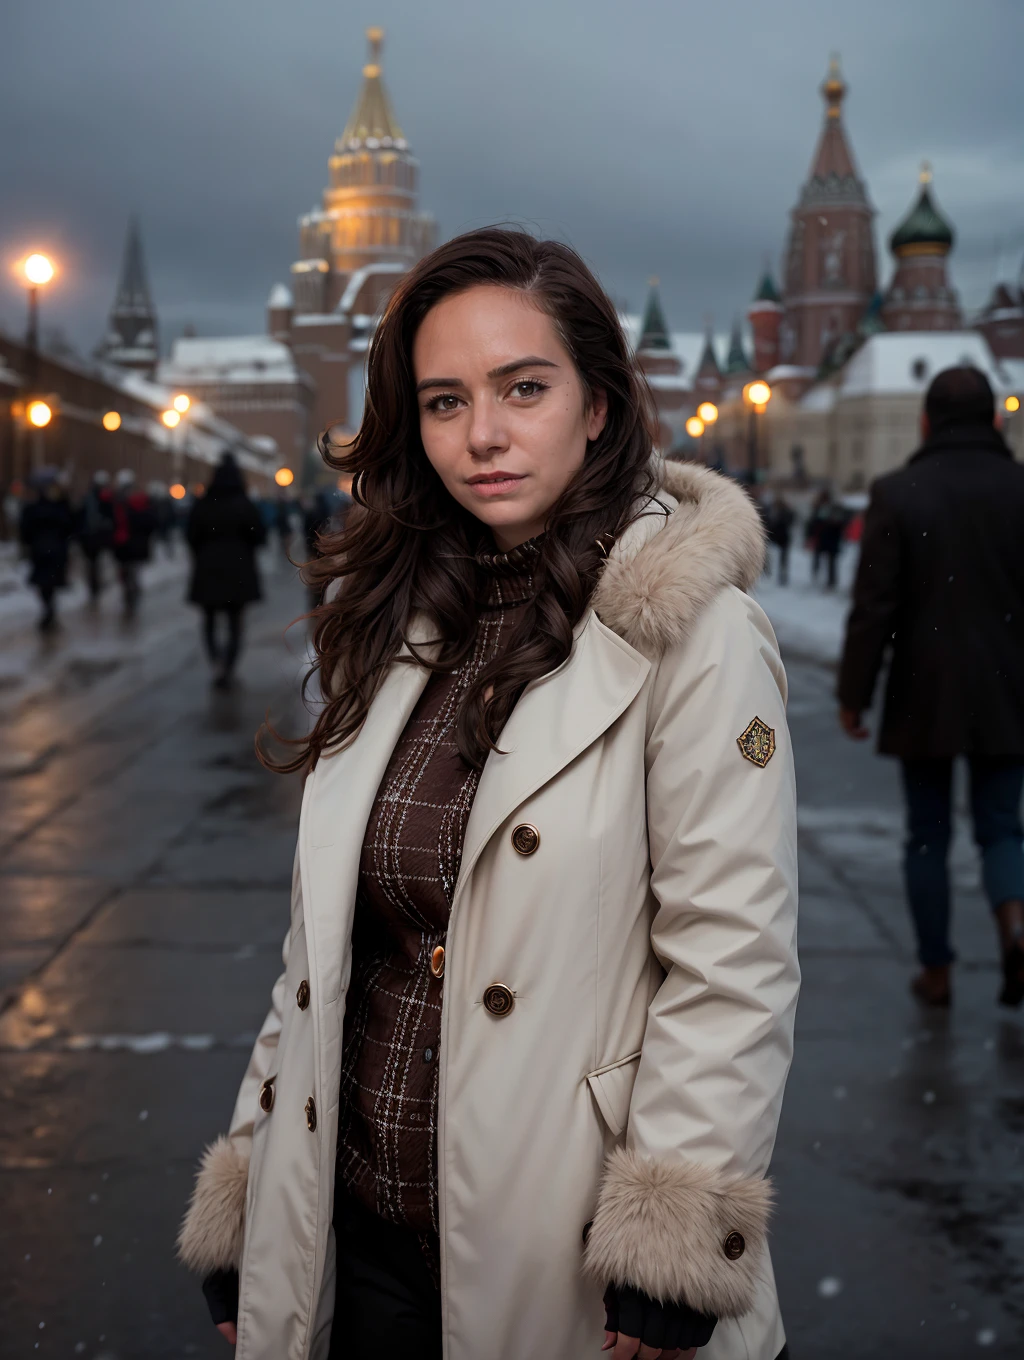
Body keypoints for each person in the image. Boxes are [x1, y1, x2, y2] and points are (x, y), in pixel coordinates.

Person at [177, 229, 799, 1360]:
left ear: (598, 403)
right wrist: (251, 1183)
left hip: (561, 1244)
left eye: (524, 387)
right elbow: (319, 956)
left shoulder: (692, 634)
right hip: (359, 1238)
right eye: (445, 400)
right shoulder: (398, 619)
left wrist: (671, 1245)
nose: (485, 436)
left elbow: (732, 958)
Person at [837, 366, 1024, 1009]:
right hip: (1010, 690)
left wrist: (853, 694)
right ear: (996, 421)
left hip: (926, 692)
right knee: (1003, 828)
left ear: (925, 423)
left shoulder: (898, 493)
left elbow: (874, 607)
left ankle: (936, 970)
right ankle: (1014, 922)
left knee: (927, 833)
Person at [186, 453, 266, 690]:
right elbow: (259, 536)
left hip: (208, 569)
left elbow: (191, 536)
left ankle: (216, 662)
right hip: (238, 570)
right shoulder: (245, 505)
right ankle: (229, 666)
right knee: (235, 622)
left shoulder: (204, 504)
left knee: (209, 620)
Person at [19, 470, 75, 631]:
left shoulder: (32, 508)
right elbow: (70, 526)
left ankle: (48, 609)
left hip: (40, 551)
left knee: (44, 584)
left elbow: (25, 531)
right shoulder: (59, 507)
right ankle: (49, 610)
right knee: (52, 583)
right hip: (55, 551)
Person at [110, 469, 155, 615]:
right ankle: (132, 594)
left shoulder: (122, 502)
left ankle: (130, 595)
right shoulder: (139, 501)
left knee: (128, 572)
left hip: (125, 544)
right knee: (131, 572)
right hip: (131, 544)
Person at [76, 470, 114, 601]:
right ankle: (95, 586)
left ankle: (95, 586)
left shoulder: (91, 498)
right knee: (94, 564)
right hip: (93, 537)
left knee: (94, 564)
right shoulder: (98, 498)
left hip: (93, 537)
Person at [767, 494, 795, 585]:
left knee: (783, 559)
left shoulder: (786, 512)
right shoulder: (771, 510)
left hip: (783, 537)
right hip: (774, 536)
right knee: (768, 555)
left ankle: (782, 575)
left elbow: (790, 521)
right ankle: (769, 571)